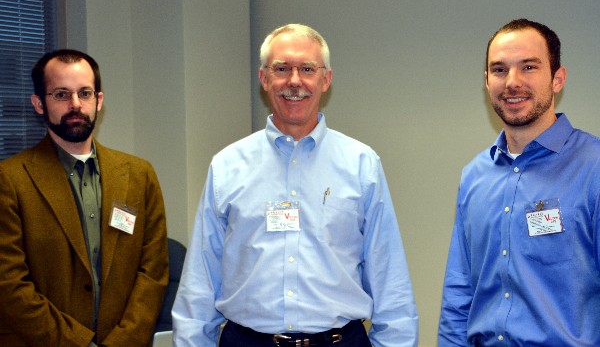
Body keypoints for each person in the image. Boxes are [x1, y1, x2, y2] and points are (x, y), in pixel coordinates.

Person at [172, 24, 419, 347]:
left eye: (306, 69)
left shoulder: (361, 164)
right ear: (264, 78)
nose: (294, 81)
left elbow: (390, 278)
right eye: (282, 69)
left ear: (325, 79)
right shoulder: (227, 166)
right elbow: (200, 282)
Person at [438, 18, 600, 346]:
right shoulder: (474, 176)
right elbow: (459, 295)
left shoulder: (593, 168)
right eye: (499, 70)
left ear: (557, 79)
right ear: (486, 81)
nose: (512, 82)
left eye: (528, 67)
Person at [0, 49, 169, 346]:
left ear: (99, 101)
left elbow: (153, 271)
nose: (76, 105)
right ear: (39, 103)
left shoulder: (139, 175)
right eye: (61, 95)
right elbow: (9, 283)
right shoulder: (10, 179)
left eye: (85, 93)